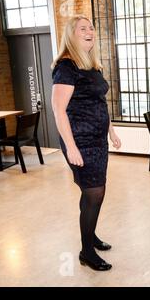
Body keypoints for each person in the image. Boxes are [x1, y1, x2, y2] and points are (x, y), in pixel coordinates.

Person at [51, 15, 121, 271]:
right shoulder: (66, 67)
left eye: (91, 27)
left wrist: (111, 131)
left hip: (98, 139)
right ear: (72, 35)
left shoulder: (92, 66)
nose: (90, 31)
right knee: (95, 191)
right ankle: (86, 252)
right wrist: (71, 147)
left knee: (92, 193)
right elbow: (58, 110)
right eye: (83, 28)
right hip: (79, 140)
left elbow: (100, 102)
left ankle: (89, 237)